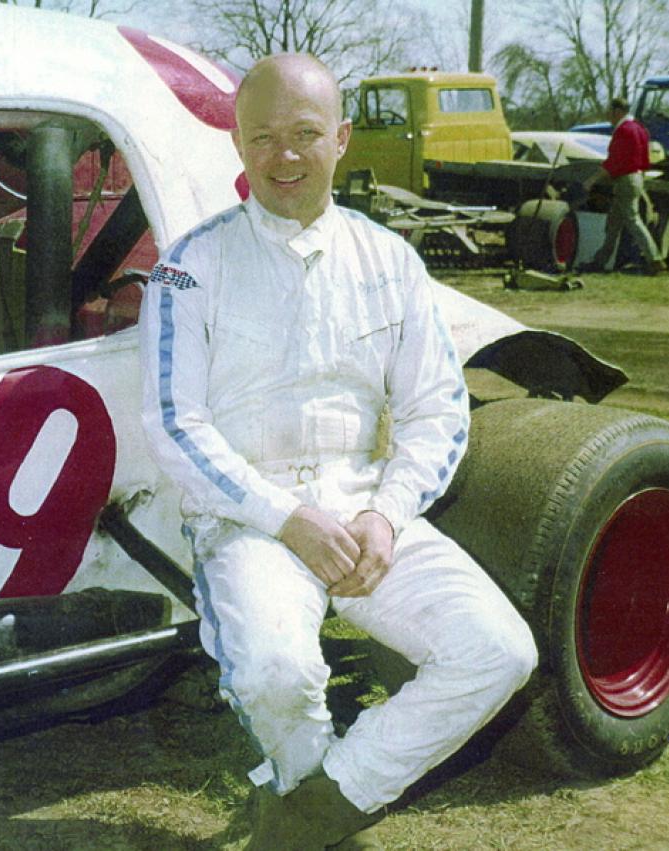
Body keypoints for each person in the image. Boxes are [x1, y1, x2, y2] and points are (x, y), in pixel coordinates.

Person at [138, 53, 538, 850]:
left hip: (365, 510)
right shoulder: (189, 268)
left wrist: (386, 515)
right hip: (250, 521)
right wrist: (288, 519)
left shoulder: (390, 261)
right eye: (262, 137)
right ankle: (309, 795)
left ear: (343, 138)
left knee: (499, 651)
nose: (283, 155)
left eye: (305, 134)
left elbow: (435, 408)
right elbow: (175, 424)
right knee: (275, 675)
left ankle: (322, 804)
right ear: (238, 144)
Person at [579, 97, 666, 274]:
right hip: (637, 178)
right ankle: (600, 261)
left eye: (609, 111)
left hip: (626, 181)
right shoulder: (640, 129)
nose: (608, 115)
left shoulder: (623, 131)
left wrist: (591, 180)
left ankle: (655, 259)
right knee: (613, 223)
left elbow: (613, 162)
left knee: (633, 221)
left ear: (617, 111)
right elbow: (645, 160)